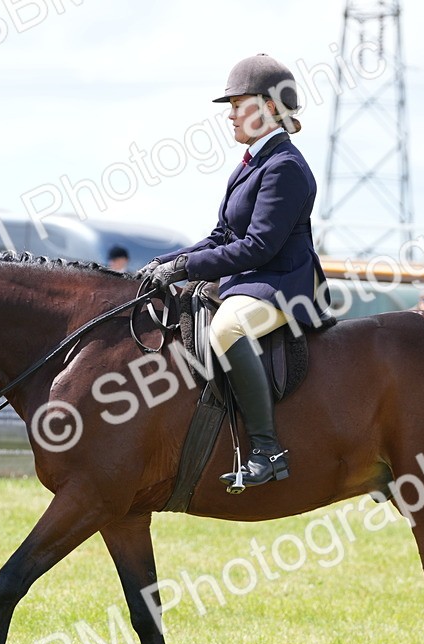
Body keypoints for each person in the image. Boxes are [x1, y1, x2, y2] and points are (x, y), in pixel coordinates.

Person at [141, 53, 329, 490]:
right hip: (253, 279)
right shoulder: (250, 163)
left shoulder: (285, 167)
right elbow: (223, 235)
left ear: (267, 106)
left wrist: (186, 267)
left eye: (237, 104)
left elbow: (258, 247)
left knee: (226, 329)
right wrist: (169, 262)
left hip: (284, 285)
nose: (229, 115)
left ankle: (267, 450)